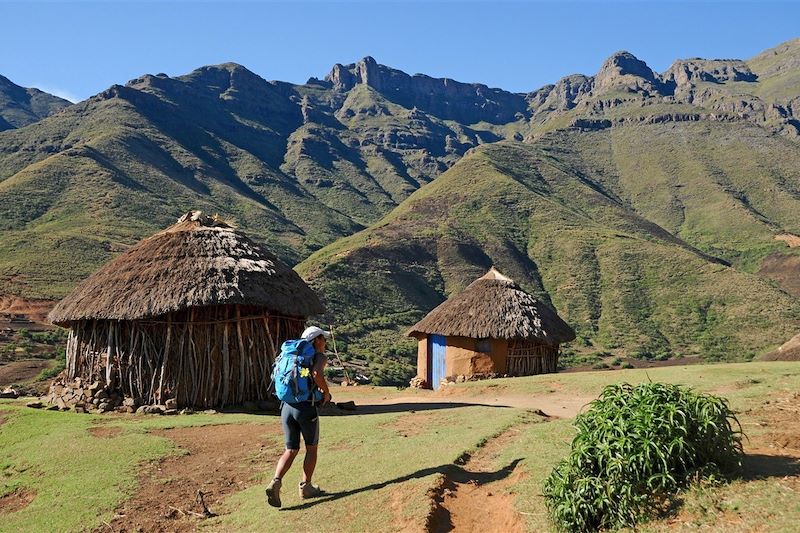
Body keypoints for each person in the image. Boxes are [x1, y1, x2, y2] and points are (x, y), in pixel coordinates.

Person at [265, 326, 333, 508]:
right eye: (323, 339)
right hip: (305, 408)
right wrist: (326, 393)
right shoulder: (318, 357)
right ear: (317, 340)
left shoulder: (290, 356)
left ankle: (276, 481)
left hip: (286, 407)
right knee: (311, 448)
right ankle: (306, 486)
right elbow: (316, 373)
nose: (324, 343)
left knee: (291, 449)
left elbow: (303, 375)